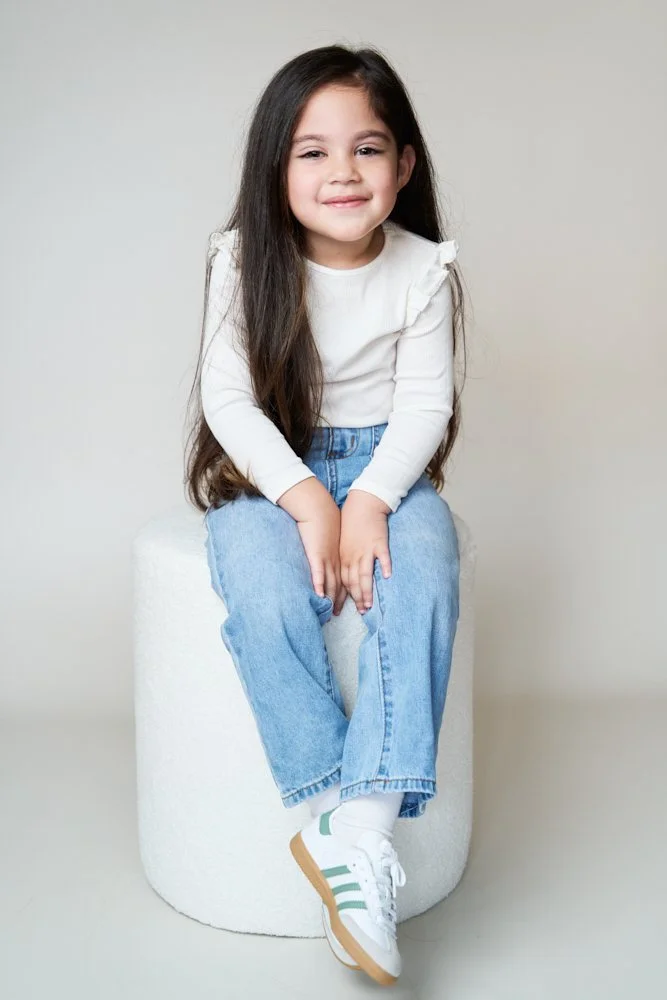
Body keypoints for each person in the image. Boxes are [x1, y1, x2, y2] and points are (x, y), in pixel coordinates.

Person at [184, 43, 468, 988]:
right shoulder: (242, 262)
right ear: (275, 168)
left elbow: (424, 405)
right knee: (260, 584)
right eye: (311, 151)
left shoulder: (424, 271)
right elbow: (228, 401)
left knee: (420, 572)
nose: (342, 172)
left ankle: (358, 836)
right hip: (274, 468)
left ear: (405, 166)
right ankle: (336, 818)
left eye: (367, 148)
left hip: (389, 466)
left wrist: (375, 500)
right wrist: (307, 499)